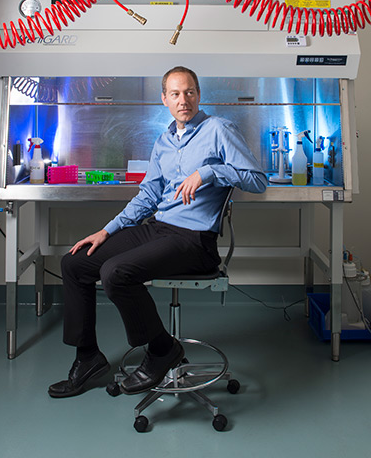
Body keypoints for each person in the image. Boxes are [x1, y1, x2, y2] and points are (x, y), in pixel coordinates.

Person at [48, 66, 267, 398]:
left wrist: (209, 171)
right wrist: (106, 232)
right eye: (176, 94)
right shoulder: (164, 141)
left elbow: (257, 181)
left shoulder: (219, 129)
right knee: (75, 262)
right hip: (158, 229)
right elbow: (148, 197)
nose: (184, 100)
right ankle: (87, 356)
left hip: (195, 241)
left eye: (190, 92)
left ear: (198, 94)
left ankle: (163, 349)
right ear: (164, 99)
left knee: (116, 272)